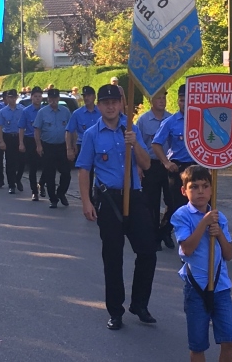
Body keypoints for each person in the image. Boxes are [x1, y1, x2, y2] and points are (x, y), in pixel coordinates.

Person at [76, 84, 156, 330]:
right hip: (108, 199)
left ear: (121, 104)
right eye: (105, 103)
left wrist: (136, 144)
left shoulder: (130, 129)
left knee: (147, 252)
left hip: (134, 196)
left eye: (114, 102)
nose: (110, 106)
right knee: (113, 257)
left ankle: (140, 304)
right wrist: (86, 202)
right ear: (99, 106)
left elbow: (146, 165)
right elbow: (84, 169)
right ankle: (115, 310)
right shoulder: (91, 134)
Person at [171, 165, 232, 362]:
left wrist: (219, 234)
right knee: (198, 345)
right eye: (194, 187)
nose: (200, 191)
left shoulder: (219, 217)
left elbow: (229, 254)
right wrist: (204, 224)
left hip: (220, 287)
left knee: (229, 340)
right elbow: (187, 248)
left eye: (205, 186)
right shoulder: (181, 215)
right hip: (196, 288)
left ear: (211, 189)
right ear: (184, 191)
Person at [152, 84, 195, 249]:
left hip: (196, 168)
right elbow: (156, 144)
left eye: (188, 100)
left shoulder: (201, 120)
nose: (185, 103)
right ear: (178, 101)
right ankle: (163, 231)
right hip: (178, 168)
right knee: (177, 206)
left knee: (198, 205)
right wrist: (166, 162)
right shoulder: (170, 122)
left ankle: (190, 239)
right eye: (182, 100)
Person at [136, 90, 173, 250]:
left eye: (164, 97)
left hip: (170, 165)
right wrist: (138, 166)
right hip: (150, 165)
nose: (162, 100)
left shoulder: (172, 119)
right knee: (151, 203)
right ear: (151, 101)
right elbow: (137, 145)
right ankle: (153, 237)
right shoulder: (143, 120)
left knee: (173, 202)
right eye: (159, 97)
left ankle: (164, 231)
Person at [34, 88, 72, 208]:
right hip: (48, 146)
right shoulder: (42, 112)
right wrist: (39, 146)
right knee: (50, 175)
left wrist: (71, 146)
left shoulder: (65, 111)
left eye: (55, 98)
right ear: (48, 99)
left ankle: (61, 193)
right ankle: (53, 199)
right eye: (51, 98)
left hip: (62, 146)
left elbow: (71, 130)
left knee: (66, 173)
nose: (53, 101)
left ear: (58, 98)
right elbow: (37, 130)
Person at [65, 85, 101, 199]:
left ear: (94, 96)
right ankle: (88, 199)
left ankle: (100, 197)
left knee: (101, 173)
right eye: (84, 96)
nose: (86, 98)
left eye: (89, 95)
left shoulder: (101, 112)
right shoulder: (77, 113)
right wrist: (69, 148)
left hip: (100, 146)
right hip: (84, 147)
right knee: (86, 174)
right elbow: (69, 131)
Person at [19, 86, 45, 200]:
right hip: (30, 140)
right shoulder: (26, 111)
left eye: (39, 96)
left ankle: (42, 184)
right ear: (31, 97)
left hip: (44, 140)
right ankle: (34, 191)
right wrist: (21, 143)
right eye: (35, 96)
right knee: (33, 167)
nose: (37, 99)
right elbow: (21, 128)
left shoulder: (45, 110)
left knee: (47, 165)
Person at [0, 89, 24, 194]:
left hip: (20, 137)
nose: (12, 99)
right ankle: (11, 184)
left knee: (22, 161)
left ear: (16, 98)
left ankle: (18, 179)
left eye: (14, 97)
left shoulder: (22, 110)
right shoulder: (2, 111)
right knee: (10, 162)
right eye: (10, 97)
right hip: (8, 137)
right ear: (7, 98)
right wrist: (1, 141)